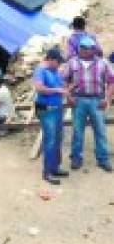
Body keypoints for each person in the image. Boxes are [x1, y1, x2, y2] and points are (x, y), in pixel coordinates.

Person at [63, 38, 114, 172]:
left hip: (97, 101)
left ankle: (103, 159)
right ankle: (76, 158)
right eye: (83, 47)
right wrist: (68, 96)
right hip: (78, 101)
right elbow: (64, 80)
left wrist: (107, 98)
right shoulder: (72, 63)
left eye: (89, 48)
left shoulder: (103, 63)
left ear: (94, 49)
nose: (86, 50)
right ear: (79, 48)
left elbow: (111, 81)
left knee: (100, 131)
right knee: (77, 131)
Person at [33, 48, 68, 184]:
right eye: (58, 62)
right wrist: (57, 90)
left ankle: (55, 167)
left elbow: (61, 85)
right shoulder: (40, 70)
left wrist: (66, 88)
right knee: (50, 140)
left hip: (57, 108)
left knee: (58, 138)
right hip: (47, 109)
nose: (59, 65)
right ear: (51, 60)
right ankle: (47, 172)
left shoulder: (55, 71)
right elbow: (39, 88)